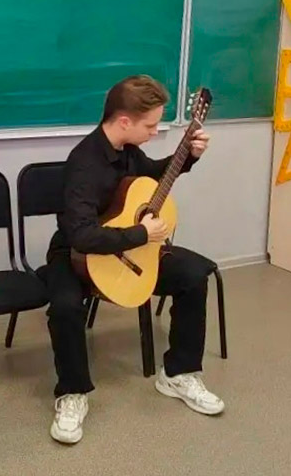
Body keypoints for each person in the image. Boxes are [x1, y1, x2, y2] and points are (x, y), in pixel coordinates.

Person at [39, 75, 224, 445]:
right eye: (151, 125)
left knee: (193, 275)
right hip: (75, 253)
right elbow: (82, 236)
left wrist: (188, 155)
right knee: (65, 306)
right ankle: (72, 393)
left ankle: (178, 374)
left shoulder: (128, 151)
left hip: (129, 247)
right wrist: (141, 234)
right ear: (124, 121)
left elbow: (154, 176)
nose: (156, 131)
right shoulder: (83, 165)